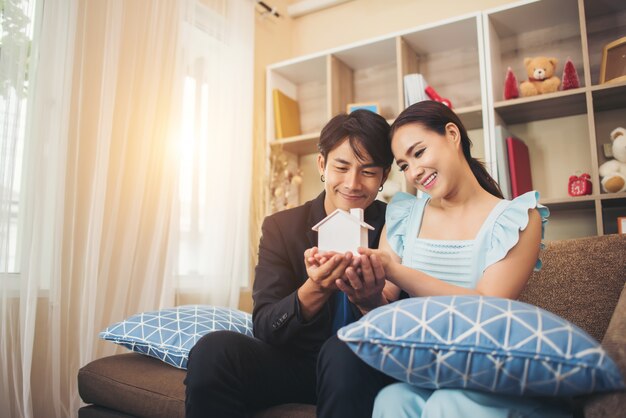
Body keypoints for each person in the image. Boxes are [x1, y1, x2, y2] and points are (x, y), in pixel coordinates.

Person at [350, 100, 571, 417]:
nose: (413, 172)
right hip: (432, 370)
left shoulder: (516, 219)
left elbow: (486, 305)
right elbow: (384, 304)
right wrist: (364, 293)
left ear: (452, 134)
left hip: (493, 370)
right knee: (392, 399)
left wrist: (395, 270)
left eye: (419, 153)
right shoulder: (403, 217)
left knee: (448, 403)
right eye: (403, 166)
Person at [184, 109, 396, 418]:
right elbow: (266, 324)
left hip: (362, 365)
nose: (352, 183)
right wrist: (316, 288)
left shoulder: (398, 226)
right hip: (295, 365)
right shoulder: (282, 228)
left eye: (368, 171)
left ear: (384, 176)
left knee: (343, 352)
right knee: (213, 349)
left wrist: (370, 301)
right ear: (322, 164)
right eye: (342, 166)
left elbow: (408, 325)